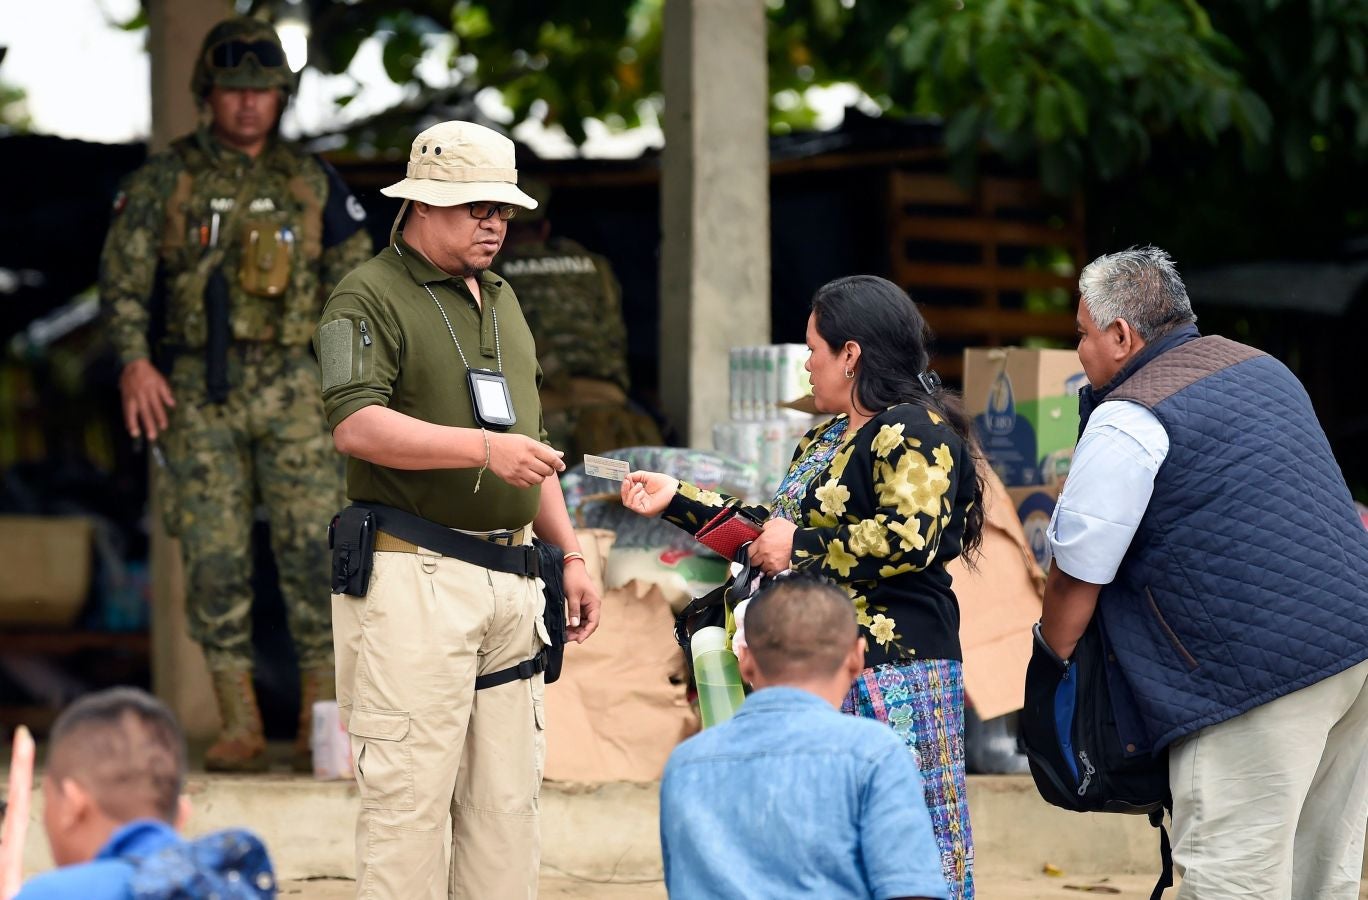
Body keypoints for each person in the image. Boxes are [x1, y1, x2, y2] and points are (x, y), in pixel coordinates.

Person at [623, 275, 983, 900]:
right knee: (821, 840)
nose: (807, 365)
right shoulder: (824, 436)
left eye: (814, 349)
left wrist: (801, 548)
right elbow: (771, 538)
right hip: (816, 660)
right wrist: (676, 499)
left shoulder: (914, 430)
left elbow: (911, 538)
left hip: (897, 667)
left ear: (851, 355)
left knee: (913, 844)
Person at [314, 120, 602, 899]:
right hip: (416, 578)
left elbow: (532, 446)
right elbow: (354, 425)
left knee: (507, 812)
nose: (493, 222)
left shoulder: (503, 297)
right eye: (475, 206)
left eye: (502, 208)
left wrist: (572, 553)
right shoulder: (366, 294)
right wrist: (481, 449)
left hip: (513, 576)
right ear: (419, 203)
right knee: (408, 807)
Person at [1038, 246, 1368, 899]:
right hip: (1355, 651)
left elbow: (1078, 571)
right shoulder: (1263, 368)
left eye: (1081, 334)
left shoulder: (1130, 415)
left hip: (1252, 678)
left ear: (1121, 336)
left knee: (1233, 877)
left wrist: (1049, 664)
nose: (1078, 350)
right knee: (1321, 873)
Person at [99, 16, 375, 772]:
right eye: (233, 89)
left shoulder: (312, 182)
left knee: (317, 550)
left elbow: (358, 292)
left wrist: (352, 387)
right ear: (207, 94)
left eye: (263, 90)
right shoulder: (165, 179)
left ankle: (322, 724)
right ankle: (239, 723)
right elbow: (123, 283)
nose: (249, 103)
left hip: (298, 387)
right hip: (198, 388)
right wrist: (135, 362)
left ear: (281, 96)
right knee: (214, 557)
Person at [659, 574, 950, 900]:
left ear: (745, 660)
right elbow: (911, 890)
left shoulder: (685, 765)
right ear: (856, 656)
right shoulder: (875, 753)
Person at [13, 687, 275, 899]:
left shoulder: (53, 893)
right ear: (182, 815)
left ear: (72, 805)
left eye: (47, 800)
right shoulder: (232, 883)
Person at [495, 180, 662, 459]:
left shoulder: (489, 273)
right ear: (544, 228)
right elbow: (615, 338)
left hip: (535, 410)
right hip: (608, 411)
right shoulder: (595, 266)